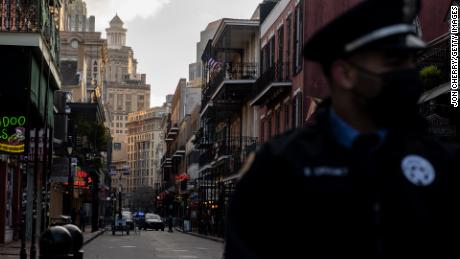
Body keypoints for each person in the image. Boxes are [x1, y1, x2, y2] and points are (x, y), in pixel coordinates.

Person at [223, 0, 459, 258]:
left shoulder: (440, 160)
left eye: (410, 62)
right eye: (393, 62)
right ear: (345, 73)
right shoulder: (279, 166)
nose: (409, 73)